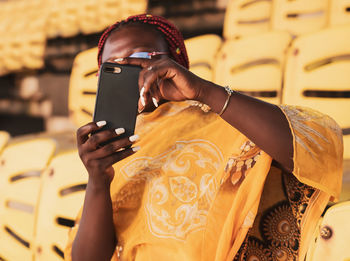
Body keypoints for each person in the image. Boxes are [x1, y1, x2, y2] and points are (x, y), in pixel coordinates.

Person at [65, 14, 343, 261]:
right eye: (115, 67)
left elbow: (312, 144)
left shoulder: (225, 117)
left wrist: (204, 91)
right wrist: (98, 181)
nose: (132, 72)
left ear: (174, 63)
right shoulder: (112, 148)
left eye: (141, 59)